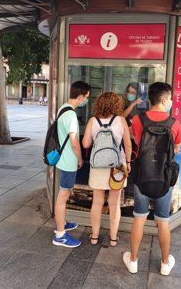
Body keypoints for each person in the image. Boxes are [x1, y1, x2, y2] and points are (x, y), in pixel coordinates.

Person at [123, 82, 181, 276]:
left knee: (139, 217)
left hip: (142, 175)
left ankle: (133, 260)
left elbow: (136, 141)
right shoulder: (174, 123)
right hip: (164, 178)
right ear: (164, 100)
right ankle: (165, 264)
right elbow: (176, 151)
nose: (171, 101)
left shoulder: (139, 120)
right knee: (163, 221)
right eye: (170, 98)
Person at [82, 92, 132, 247]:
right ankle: (113, 238)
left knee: (97, 202)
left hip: (98, 166)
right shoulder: (121, 120)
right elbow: (128, 145)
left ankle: (95, 236)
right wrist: (128, 162)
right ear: (116, 105)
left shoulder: (92, 121)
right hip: (117, 166)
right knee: (114, 203)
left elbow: (85, 144)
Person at [52, 80, 91, 248]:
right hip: (69, 162)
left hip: (63, 159)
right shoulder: (71, 115)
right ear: (81, 96)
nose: (87, 100)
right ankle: (60, 235)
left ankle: (62, 222)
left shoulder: (63, 108)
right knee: (63, 196)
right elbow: (75, 143)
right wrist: (80, 159)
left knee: (63, 194)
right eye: (87, 97)